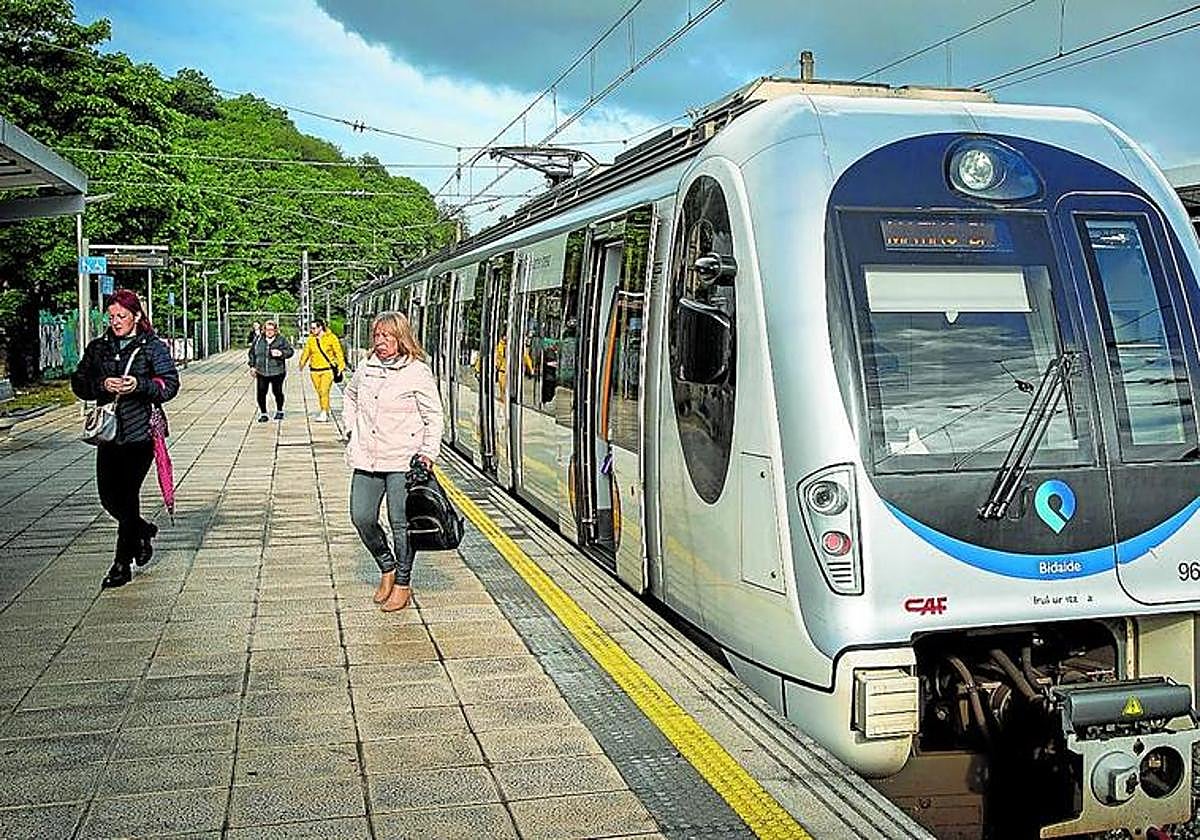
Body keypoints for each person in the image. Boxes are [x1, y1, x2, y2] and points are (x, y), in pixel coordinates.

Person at [71, 289, 180, 589]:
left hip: (140, 433)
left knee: (128, 495)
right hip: (108, 434)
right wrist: (101, 384)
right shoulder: (99, 348)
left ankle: (122, 563)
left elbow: (169, 385)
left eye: (122, 316)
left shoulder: (151, 347)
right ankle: (143, 531)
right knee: (109, 498)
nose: (117, 322)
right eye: (112, 317)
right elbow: (79, 382)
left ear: (136, 317)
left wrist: (139, 384)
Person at [343, 311, 442, 612]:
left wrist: (428, 452)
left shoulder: (417, 371)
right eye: (377, 336)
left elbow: (434, 415)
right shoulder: (366, 367)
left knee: (401, 525)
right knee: (362, 517)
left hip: (403, 460)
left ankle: (402, 582)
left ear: (401, 338)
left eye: (387, 336)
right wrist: (351, 428)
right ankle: (386, 566)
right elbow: (349, 395)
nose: (380, 342)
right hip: (367, 458)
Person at [298, 319, 346, 423]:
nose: (312, 330)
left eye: (314, 328)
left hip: (327, 370)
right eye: (311, 328)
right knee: (320, 392)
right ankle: (325, 409)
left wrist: (341, 366)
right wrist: (302, 363)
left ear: (321, 328)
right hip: (314, 370)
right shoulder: (311, 339)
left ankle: (324, 412)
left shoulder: (331, 338)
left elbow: (338, 352)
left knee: (324, 391)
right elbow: (307, 352)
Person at [248, 320, 293, 421]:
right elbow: (252, 353)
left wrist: (281, 353)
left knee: (277, 392)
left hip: (277, 371)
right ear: (264, 330)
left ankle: (279, 410)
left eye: (272, 330)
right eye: (267, 329)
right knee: (261, 392)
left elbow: (290, 351)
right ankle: (263, 413)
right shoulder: (258, 339)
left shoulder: (281, 340)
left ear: (276, 331)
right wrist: (252, 366)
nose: (269, 332)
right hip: (261, 370)